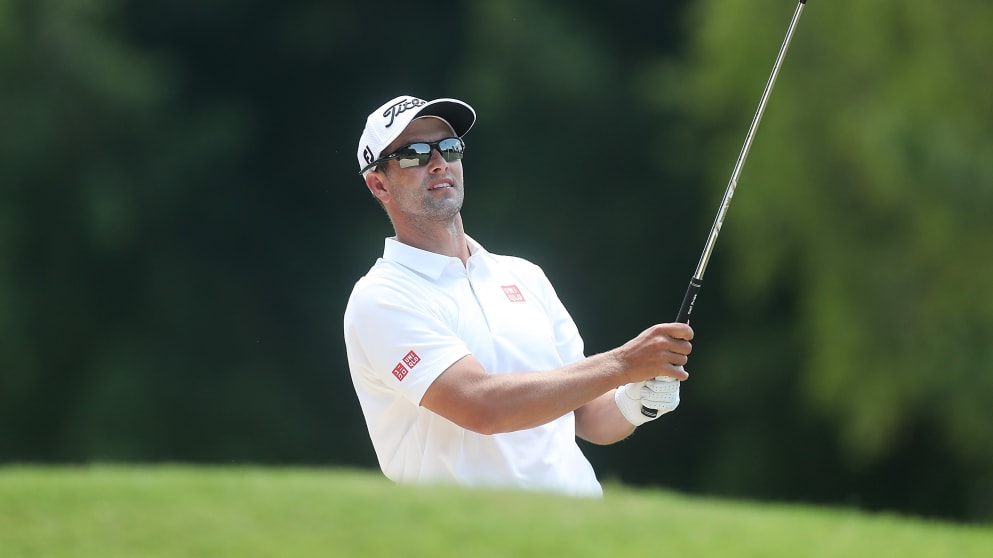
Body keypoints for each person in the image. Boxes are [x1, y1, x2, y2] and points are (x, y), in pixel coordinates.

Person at [344, 95, 693, 497]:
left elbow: (589, 416)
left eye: (449, 147)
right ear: (378, 183)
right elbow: (481, 406)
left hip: (584, 529)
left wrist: (638, 397)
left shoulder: (525, 275)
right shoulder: (382, 297)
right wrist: (622, 364)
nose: (438, 162)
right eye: (414, 154)